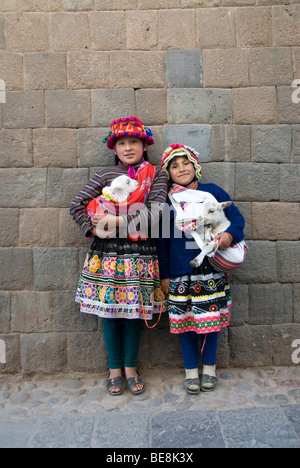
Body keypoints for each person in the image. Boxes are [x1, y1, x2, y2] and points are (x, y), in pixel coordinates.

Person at [70, 116, 168, 396]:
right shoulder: (104, 176)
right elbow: (76, 205)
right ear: (114, 149)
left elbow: (157, 215)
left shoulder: (157, 175)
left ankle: (130, 368)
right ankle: (114, 369)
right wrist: (93, 228)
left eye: (133, 142)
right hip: (108, 254)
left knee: (134, 313)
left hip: (140, 254)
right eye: (122, 143)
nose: (128, 148)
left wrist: (115, 223)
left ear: (143, 145)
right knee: (110, 313)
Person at [156, 144, 245, 394]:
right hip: (180, 271)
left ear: (196, 167)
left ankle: (209, 369)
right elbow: (162, 242)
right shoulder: (168, 202)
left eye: (186, 164)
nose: (181, 169)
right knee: (185, 324)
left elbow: (237, 220)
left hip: (211, 269)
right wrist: (164, 275)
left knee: (210, 322)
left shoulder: (212, 193)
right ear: (169, 173)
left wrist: (228, 236)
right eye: (175, 166)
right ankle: (190, 372)